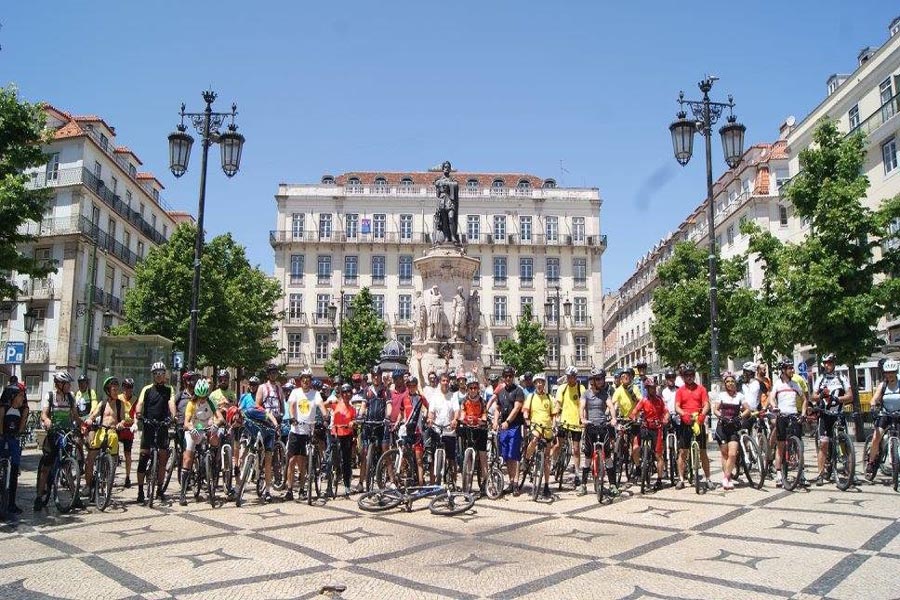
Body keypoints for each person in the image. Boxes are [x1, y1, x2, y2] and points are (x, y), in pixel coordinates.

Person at [34, 371, 81, 511]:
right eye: (67, 383)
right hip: (53, 434)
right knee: (46, 467)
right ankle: (38, 497)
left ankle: (75, 497)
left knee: (67, 466)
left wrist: (83, 425)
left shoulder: (71, 397)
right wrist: (47, 420)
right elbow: (44, 414)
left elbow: (75, 416)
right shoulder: (50, 396)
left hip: (66, 434)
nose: (69, 386)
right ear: (59, 384)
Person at [135, 362, 177, 505]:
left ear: (165, 375)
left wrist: (173, 416)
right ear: (153, 375)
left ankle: (159, 489)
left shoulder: (169, 389)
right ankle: (140, 491)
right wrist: (139, 413)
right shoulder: (147, 389)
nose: (159, 376)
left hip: (163, 425)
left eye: (161, 373)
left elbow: (171, 403)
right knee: (143, 458)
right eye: (156, 374)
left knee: (163, 457)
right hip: (148, 424)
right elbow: (140, 403)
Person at [178, 378, 223, 506]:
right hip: (194, 430)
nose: (202, 399)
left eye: (204, 396)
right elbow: (186, 422)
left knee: (215, 438)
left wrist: (216, 424)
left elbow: (220, 418)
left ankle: (213, 464)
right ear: (196, 394)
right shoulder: (191, 404)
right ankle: (183, 493)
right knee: (187, 458)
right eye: (200, 397)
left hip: (206, 429)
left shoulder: (210, 402)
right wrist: (191, 428)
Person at [85, 377, 130, 500]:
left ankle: (107, 482)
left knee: (113, 461)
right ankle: (88, 486)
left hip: (113, 433)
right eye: (113, 389)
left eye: (117, 389)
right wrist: (90, 420)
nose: (116, 391)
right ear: (108, 390)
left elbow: (122, 419)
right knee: (90, 459)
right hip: (101, 431)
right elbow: (93, 415)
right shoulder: (103, 403)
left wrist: (121, 424)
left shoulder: (120, 404)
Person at [811, 353, 852, 485]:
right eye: (825, 363)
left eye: (830, 362)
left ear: (834, 363)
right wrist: (821, 395)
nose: (827, 365)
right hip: (825, 415)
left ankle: (850, 472)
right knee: (823, 444)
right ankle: (820, 474)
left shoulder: (842, 377)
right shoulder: (821, 378)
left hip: (838, 414)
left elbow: (850, 396)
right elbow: (813, 397)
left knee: (845, 444)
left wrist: (837, 399)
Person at [285, 371, 325, 501]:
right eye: (303, 379)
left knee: (302, 463)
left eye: (308, 379)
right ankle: (289, 489)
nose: (306, 381)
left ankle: (302, 489)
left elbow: (321, 405)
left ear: (310, 380)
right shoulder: (295, 392)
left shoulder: (316, 394)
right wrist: (292, 417)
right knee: (291, 461)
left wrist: (326, 415)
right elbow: (291, 405)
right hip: (296, 430)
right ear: (300, 380)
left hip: (308, 432)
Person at [580, 368, 619, 497]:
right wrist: (582, 419)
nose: (600, 381)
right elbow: (582, 406)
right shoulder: (586, 394)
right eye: (598, 379)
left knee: (608, 456)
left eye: (601, 378)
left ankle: (612, 484)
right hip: (590, 427)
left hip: (603, 426)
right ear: (593, 381)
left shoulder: (605, 394)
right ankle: (583, 485)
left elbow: (611, 406)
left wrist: (613, 418)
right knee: (587, 457)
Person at [769, 359, 807, 487]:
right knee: (780, 447)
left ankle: (801, 474)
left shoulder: (795, 384)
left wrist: (803, 413)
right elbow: (771, 397)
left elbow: (804, 399)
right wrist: (774, 406)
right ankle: (779, 474)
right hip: (782, 415)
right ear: (783, 370)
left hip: (794, 415)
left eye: (792, 368)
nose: (792, 370)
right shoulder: (778, 384)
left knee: (798, 445)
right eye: (790, 368)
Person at [713, 372, 753, 490]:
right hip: (722, 427)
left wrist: (740, 417)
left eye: (732, 381)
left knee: (732, 454)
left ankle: (726, 477)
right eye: (728, 382)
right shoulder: (721, 395)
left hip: (734, 427)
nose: (730, 383)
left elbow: (747, 410)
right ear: (725, 384)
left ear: (735, 383)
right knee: (725, 454)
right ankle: (728, 478)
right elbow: (715, 409)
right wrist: (721, 416)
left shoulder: (740, 396)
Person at [674, 364, 711, 490]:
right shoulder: (680, 391)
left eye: (691, 375)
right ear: (683, 377)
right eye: (686, 375)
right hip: (686, 421)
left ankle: (708, 478)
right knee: (683, 452)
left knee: (703, 452)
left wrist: (703, 414)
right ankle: (681, 479)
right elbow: (677, 406)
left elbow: (706, 404)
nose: (689, 377)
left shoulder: (701, 389)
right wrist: (683, 413)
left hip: (698, 420)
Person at [629, 378, 669, 490]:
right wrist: (633, 417)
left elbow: (666, 412)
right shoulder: (644, 400)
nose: (653, 390)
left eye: (654, 388)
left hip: (657, 428)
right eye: (651, 388)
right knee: (635, 447)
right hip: (645, 427)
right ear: (647, 389)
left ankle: (659, 479)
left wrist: (665, 418)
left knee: (658, 455)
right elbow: (635, 411)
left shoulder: (660, 400)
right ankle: (637, 467)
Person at [522, 373, 556, 498]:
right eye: (537, 382)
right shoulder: (531, 397)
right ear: (535, 384)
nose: (539, 384)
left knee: (546, 459)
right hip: (535, 425)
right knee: (535, 439)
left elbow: (553, 415)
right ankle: (526, 459)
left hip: (547, 428)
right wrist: (527, 420)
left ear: (544, 384)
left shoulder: (549, 398)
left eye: (541, 382)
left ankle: (546, 485)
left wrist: (554, 425)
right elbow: (525, 411)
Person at [358, 369, 391, 490]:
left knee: (385, 451)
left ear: (381, 376)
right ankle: (361, 482)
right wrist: (360, 415)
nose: (376, 378)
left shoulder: (385, 391)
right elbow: (363, 406)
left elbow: (389, 405)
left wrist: (388, 417)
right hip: (369, 424)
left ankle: (391, 480)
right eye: (374, 376)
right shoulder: (367, 390)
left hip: (381, 425)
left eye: (378, 376)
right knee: (364, 453)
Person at [493, 367, 525, 495]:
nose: (508, 378)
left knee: (514, 455)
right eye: (506, 376)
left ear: (513, 377)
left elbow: (517, 408)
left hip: (514, 426)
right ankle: (511, 482)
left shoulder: (518, 390)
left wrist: (508, 422)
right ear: (503, 377)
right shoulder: (501, 392)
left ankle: (516, 483)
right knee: (506, 455)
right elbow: (497, 408)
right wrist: (495, 421)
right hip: (504, 427)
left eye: (510, 376)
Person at [255, 363, 285, 500]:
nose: (273, 374)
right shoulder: (262, 387)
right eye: (271, 372)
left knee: (269, 458)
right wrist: (266, 415)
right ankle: (253, 465)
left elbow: (282, 405)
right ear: (268, 375)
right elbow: (257, 405)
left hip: (275, 424)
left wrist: (281, 418)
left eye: (275, 372)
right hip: (264, 422)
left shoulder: (279, 388)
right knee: (256, 448)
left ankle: (267, 490)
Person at [867, 359, 900, 481]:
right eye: (887, 372)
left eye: (892, 372)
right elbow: (874, 399)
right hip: (885, 413)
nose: (890, 374)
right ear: (884, 373)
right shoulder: (883, 385)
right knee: (877, 436)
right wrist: (873, 406)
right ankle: (871, 462)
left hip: (898, 414)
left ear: (896, 372)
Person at [555, 365, 585, 489]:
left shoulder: (581, 388)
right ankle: (555, 463)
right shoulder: (562, 388)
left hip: (576, 423)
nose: (569, 379)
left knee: (576, 449)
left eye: (571, 377)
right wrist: (556, 417)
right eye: (567, 376)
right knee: (558, 444)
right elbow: (558, 404)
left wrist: (582, 419)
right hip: (564, 421)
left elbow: (583, 405)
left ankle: (577, 473)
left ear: (575, 377)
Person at [427, 373, 459, 484]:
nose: (445, 383)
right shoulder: (435, 396)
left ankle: (453, 481)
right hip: (437, 429)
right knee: (433, 456)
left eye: (447, 381)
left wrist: (455, 419)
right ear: (440, 382)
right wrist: (430, 419)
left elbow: (456, 411)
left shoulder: (453, 396)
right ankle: (434, 481)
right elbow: (431, 412)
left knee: (451, 458)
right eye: (443, 381)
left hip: (449, 430)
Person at [0, 383, 27, 514]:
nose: (22, 398)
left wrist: (19, 433)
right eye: (20, 396)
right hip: (2, 438)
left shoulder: (23, 410)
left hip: (13, 440)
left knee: (14, 469)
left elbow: (21, 427)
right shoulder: (4, 408)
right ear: (12, 396)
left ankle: (11, 503)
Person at [613, 368, 642, 472]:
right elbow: (614, 404)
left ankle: (638, 466)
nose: (625, 378)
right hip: (623, 419)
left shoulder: (635, 388)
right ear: (620, 379)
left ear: (631, 378)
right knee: (620, 438)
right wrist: (611, 415)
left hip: (634, 419)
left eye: (627, 376)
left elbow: (640, 402)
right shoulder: (618, 390)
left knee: (635, 445)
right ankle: (619, 457)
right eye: (623, 376)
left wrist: (633, 395)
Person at [331, 384, 357, 497]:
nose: (347, 395)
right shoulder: (336, 404)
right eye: (345, 393)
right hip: (336, 434)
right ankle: (333, 478)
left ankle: (347, 485)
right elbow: (324, 404)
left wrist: (353, 423)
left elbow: (355, 421)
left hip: (347, 435)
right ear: (342, 394)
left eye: (349, 392)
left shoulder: (352, 409)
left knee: (346, 461)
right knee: (334, 458)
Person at [117, 378, 137, 488]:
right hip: (119, 427)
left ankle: (128, 477)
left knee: (128, 454)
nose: (127, 389)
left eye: (130, 387)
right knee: (112, 451)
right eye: (125, 387)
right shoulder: (118, 398)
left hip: (129, 429)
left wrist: (135, 424)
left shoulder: (135, 399)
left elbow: (136, 413)